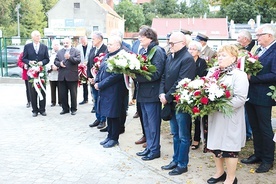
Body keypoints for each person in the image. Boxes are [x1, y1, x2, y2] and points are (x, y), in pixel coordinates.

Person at [206, 44, 249, 184]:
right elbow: (204, 89)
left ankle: (231, 178)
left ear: (233, 58)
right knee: (215, 145)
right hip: (214, 116)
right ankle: (219, 173)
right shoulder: (212, 71)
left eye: (224, 55)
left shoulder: (239, 75)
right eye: (219, 55)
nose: (220, 58)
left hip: (230, 117)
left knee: (230, 148)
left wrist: (220, 106)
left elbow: (240, 99)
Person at [159, 32, 196, 175]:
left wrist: (167, 96)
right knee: (175, 134)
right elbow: (164, 76)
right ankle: (175, 160)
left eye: (173, 43)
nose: (170, 45)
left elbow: (182, 81)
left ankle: (182, 163)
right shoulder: (170, 56)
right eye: (169, 42)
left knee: (183, 135)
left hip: (181, 102)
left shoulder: (187, 59)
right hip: (170, 101)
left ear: (183, 43)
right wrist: (162, 93)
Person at [241, 24, 276, 173]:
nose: (257, 38)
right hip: (252, 94)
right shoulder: (259, 49)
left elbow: (274, 74)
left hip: (264, 96)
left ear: (269, 36)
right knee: (255, 127)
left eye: (259, 35)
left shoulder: (274, 51)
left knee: (265, 128)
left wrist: (253, 78)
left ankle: (268, 159)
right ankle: (258, 154)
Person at [135, 27, 166, 161]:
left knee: (153, 124)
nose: (140, 39)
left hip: (152, 93)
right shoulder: (144, 51)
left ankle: (154, 150)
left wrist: (137, 77)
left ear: (150, 37)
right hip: (143, 92)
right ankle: (149, 148)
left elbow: (157, 73)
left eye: (142, 36)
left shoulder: (157, 51)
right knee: (146, 123)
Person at [95, 35, 125, 148]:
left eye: (111, 44)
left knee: (114, 114)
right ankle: (109, 135)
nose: (108, 46)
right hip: (105, 90)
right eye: (108, 44)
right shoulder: (107, 55)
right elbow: (101, 70)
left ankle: (114, 138)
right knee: (108, 114)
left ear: (118, 45)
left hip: (114, 90)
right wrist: (96, 80)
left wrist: (101, 84)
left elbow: (116, 75)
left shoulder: (120, 57)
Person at [22, 30, 50, 117]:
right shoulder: (27, 46)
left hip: (41, 72)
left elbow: (47, 59)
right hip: (32, 72)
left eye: (39, 35)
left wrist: (42, 63)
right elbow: (24, 58)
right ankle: (35, 110)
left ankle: (42, 109)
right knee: (32, 91)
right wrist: (30, 62)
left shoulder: (44, 47)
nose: (39, 37)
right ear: (33, 37)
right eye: (37, 36)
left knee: (42, 90)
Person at [236, 29, 257, 141]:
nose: (237, 40)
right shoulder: (243, 49)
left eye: (239, 38)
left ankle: (248, 133)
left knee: (247, 109)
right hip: (242, 81)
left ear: (245, 39)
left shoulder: (253, 50)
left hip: (250, 83)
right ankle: (245, 131)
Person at [187, 40, 208, 150]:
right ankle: (188, 138)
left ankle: (196, 139)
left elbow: (202, 76)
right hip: (186, 91)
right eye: (190, 49)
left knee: (198, 117)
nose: (191, 51)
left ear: (199, 51)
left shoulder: (201, 62)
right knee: (187, 116)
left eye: (193, 49)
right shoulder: (186, 61)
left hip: (198, 91)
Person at [54, 37, 81, 115]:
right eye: (64, 43)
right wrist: (59, 64)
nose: (65, 44)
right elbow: (55, 61)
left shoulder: (76, 51)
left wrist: (70, 58)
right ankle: (65, 108)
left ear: (70, 43)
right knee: (62, 93)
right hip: (62, 76)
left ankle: (73, 109)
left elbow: (78, 60)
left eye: (67, 43)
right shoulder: (59, 52)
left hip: (72, 75)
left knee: (73, 94)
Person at [87, 31, 107, 129]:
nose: (92, 41)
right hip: (92, 80)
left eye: (93, 39)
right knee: (95, 99)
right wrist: (89, 77)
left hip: (100, 80)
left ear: (99, 39)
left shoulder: (106, 49)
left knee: (101, 100)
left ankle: (103, 120)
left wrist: (97, 79)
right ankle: (98, 118)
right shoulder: (92, 49)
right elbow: (89, 64)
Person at [76, 36, 92, 105]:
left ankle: (93, 98)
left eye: (84, 41)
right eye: (82, 42)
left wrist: (87, 62)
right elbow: (77, 56)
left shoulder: (91, 46)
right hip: (82, 67)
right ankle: (85, 99)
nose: (83, 43)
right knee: (84, 83)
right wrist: (80, 64)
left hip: (90, 67)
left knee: (92, 83)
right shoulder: (78, 47)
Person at [17, 40, 32, 108]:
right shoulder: (22, 54)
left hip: (35, 73)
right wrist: (23, 65)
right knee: (28, 88)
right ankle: (29, 101)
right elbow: (19, 62)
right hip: (26, 74)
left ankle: (35, 101)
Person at [46, 39, 61, 107]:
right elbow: (47, 62)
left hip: (59, 73)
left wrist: (57, 67)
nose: (56, 46)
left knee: (60, 88)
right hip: (52, 73)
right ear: (52, 46)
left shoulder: (61, 52)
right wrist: (51, 67)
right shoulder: (49, 53)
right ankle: (53, 101)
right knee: (52, 88)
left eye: (57, 44)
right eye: (55, 45)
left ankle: (60, 101)